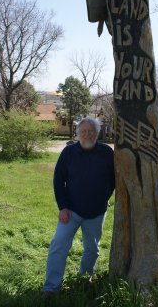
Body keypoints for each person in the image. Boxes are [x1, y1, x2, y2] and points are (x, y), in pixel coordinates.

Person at [43, 116, 115, 295]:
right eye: (83, 131)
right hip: (71, 210)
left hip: (97, 212)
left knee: (92, 249)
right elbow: (58, 180)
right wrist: (63, 207)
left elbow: (115, 178)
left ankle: (84, 280)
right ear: (77, 134)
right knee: (58, 245)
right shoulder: (68, 153)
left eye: (91, 131)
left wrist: (105, 196)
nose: (87, 134)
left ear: (97, 133)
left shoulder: (107, 152)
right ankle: (51, 288)